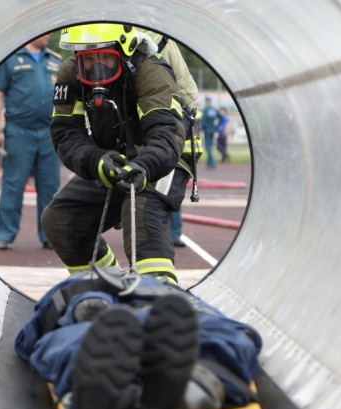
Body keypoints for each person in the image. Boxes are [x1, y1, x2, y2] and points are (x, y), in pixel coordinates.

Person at [15, 269, 263, 409]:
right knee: (219, 345)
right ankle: (185, 398)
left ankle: (101, 408)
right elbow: (244, 336)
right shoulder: (176, 296)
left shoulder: (76, 286)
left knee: (80, 342)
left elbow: (29, 342)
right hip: (175, 314)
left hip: (99, 318)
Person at [41, 24, 196, 284]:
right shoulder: (70, 72)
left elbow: (166, 133)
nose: (96, 66)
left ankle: (159, 295)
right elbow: (66, 133)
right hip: (118, 155)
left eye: (105, 56)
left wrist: (144, 166)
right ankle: (105, 285)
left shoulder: (149, 69)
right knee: (60, 220)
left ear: (124, 51)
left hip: (171, 151)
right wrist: (97, 161)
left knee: (141, 207)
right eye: (88, 57)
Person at [0, 33, 62, 250]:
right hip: (19, 132)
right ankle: (4, 234)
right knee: (13, 184)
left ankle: (50, 236)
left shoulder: (54, 60)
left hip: (49, 133)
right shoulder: (10, 58)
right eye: (45, 31)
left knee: (50, 187)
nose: (49, 34)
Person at [135, 31, 201, 250]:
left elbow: (186, 95)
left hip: (172, 135)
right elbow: (189, 93)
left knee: (152, 204)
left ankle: (169, 239)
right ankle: (172, 234)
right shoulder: (160, 36)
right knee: (158, 198)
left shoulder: (152, 41)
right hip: (169, 135)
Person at [200, 96, 218, 169]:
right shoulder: (214, 109)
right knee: (210, 145)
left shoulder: (206, 109)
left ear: (207, 101)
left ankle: (211, 162)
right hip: (213, 129)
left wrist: (201, 128)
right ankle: (208, 162)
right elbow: (219, 118)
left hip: (207, 129)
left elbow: (203, 120)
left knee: (208, 147)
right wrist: (216, 128)